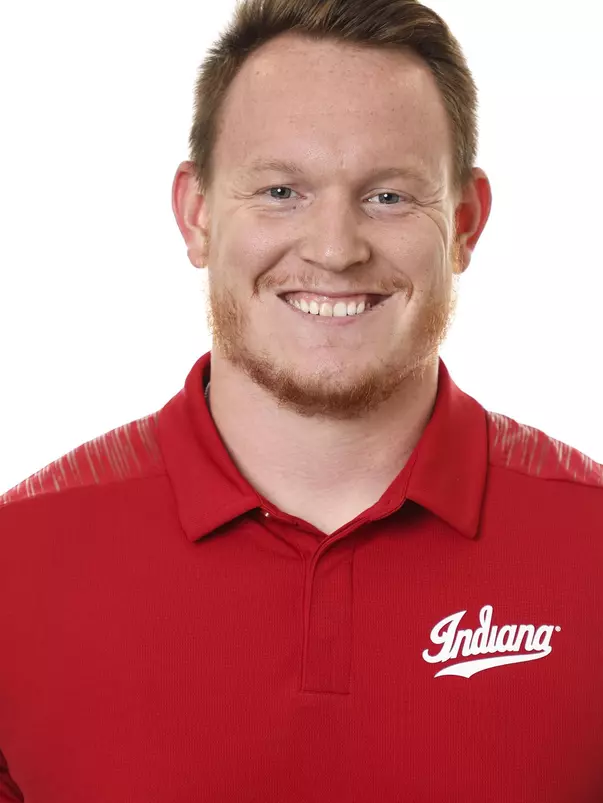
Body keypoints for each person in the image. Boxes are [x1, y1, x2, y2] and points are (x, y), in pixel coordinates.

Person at [1, 0, 602, 800]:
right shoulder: (19, 563)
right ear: (197, 215)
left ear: (462, 223)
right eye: (282, 189)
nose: (333, 248)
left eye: (388, 196)